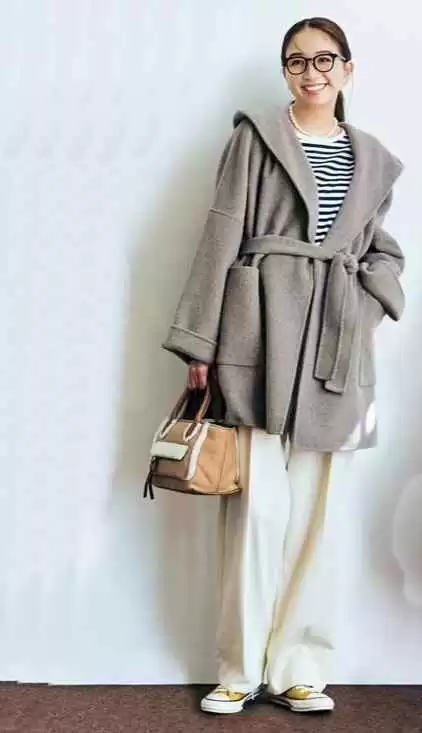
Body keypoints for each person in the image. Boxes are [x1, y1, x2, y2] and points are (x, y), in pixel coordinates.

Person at [162, 16, 405, 715]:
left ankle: (301, 667)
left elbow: (381, 249)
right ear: (286, 73)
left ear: (348, 70)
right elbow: (220, 234)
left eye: (325, 59)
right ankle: (238, 669)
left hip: (335, 343)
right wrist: (200, 343)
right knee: (257, 510)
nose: (311, 72)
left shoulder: (374, 160)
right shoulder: (255, 138)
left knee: (320, 516)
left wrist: (368, 300)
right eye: (297, 61)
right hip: (258, 332)